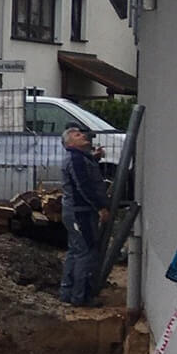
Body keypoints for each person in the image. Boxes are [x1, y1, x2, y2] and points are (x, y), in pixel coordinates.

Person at [60, 126, 111, 306]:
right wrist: (100, 208)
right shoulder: (75, 159)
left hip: (75, 211)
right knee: (85, 252)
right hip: (80, 213)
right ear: (70, 142)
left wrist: (94, 158)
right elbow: (83, 186)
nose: (83, 135)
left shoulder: (80, 158)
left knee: (75, 251)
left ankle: (67, 293)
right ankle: (80, 297)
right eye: (77, 134)